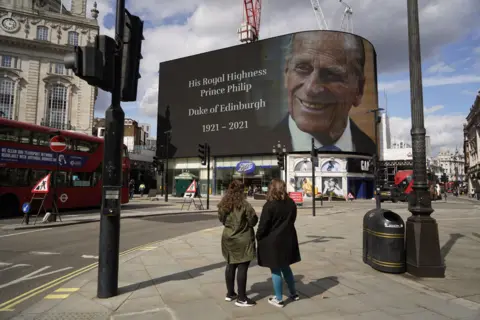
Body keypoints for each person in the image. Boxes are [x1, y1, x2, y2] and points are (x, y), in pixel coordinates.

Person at [272, 31, 376, 154]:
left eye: (331, 74)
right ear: (286, 73)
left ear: (359, 89)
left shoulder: (371, 149)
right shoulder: (256, 144)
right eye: (302, 68)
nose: (311, 88)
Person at [256, 179, 301, 308]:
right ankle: (294, 293)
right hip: (288, 238)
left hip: (273, 240)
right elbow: (292, 220)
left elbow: (263, 225)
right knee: (286, 266)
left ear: (272, 189)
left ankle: (279, 298)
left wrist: (258, 236)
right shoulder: (291, 203)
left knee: (275, 268)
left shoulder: (269, 205)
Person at [217, 180, 258, 307]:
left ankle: (230, 293)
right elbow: (253, 220)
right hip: (243, 238)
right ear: (242, 191)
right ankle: (242, 298)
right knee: (242, 267)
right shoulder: (245, 205)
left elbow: (221, 219)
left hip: (228, 237)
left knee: (230, 264)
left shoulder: (223, 204)